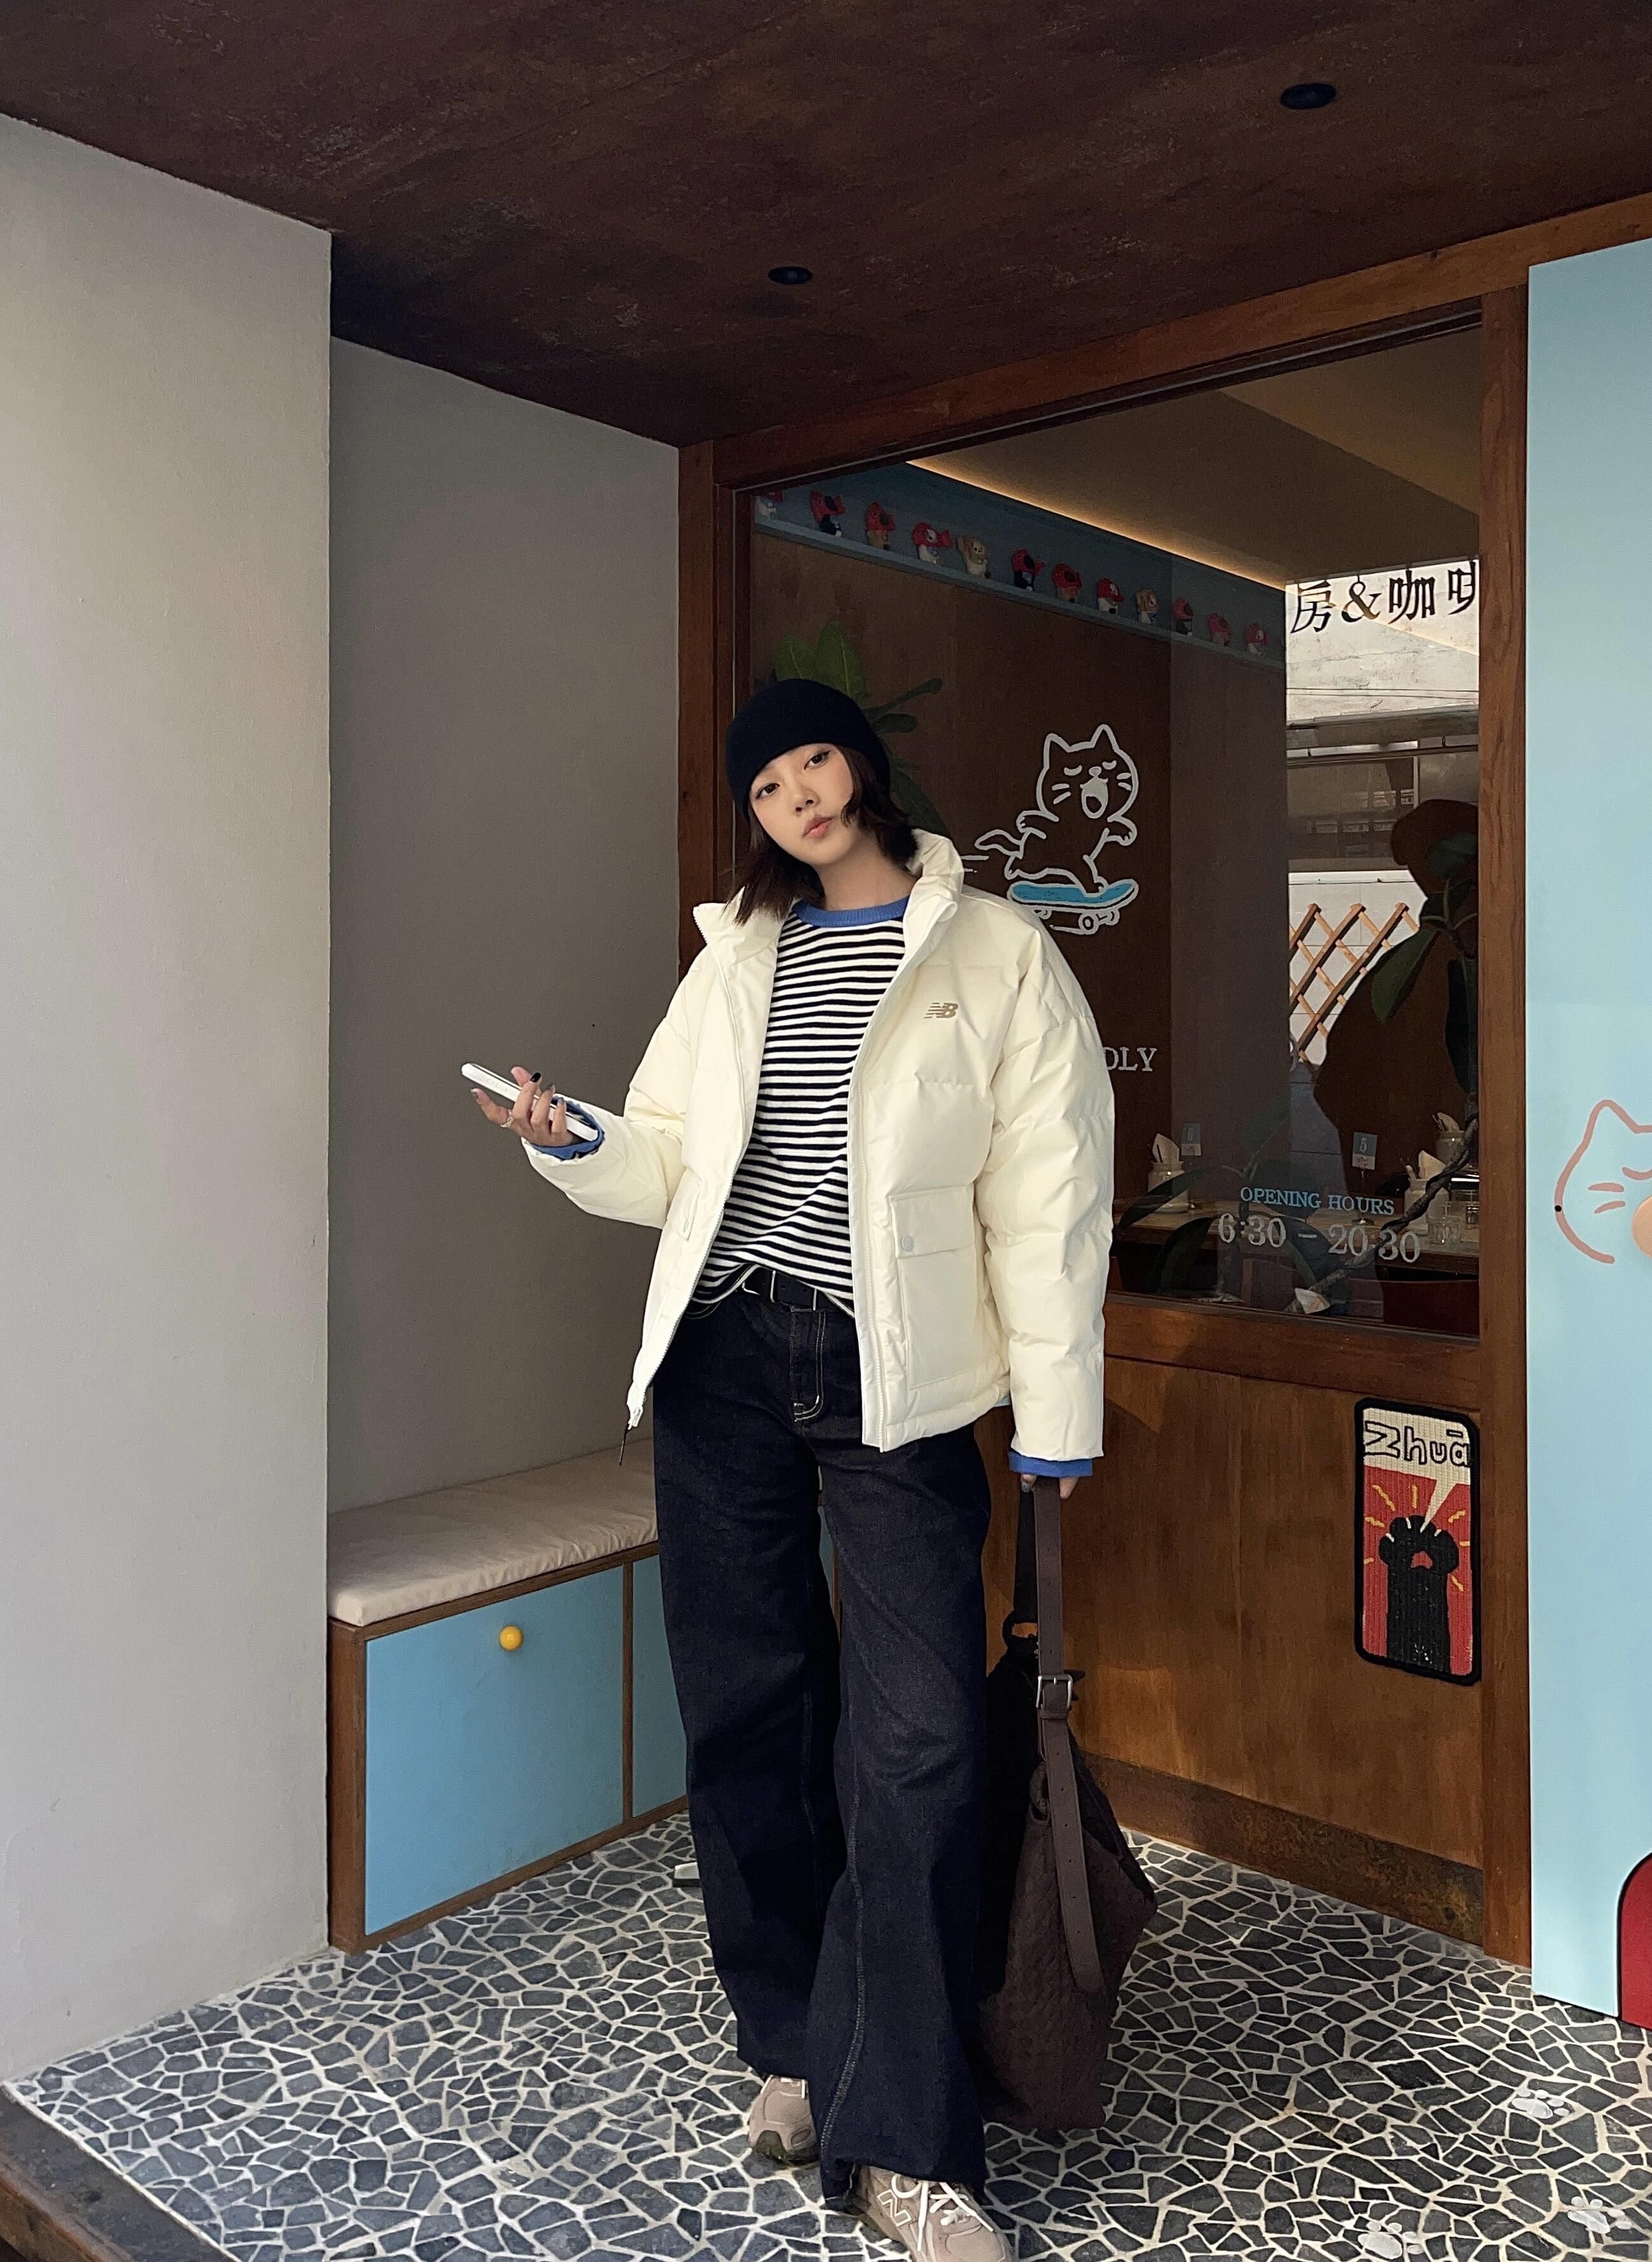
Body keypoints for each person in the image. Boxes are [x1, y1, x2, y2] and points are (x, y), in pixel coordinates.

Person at [472, 678, 1113, 2262]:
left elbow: (1048, 1198)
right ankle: (793, 2040)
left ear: (862, 766)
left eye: (812, 760)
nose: (797, 796)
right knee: (746, 1706)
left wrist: (1055, 1410)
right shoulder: (735, 957)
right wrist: (570, 1138)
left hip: (900, 1380)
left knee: (917, 1740)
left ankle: (908, 2142)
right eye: (765, 785)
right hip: (724, 1359)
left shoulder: (996, 953)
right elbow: (670, 1159)